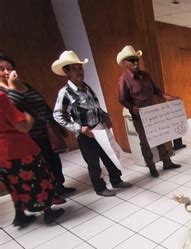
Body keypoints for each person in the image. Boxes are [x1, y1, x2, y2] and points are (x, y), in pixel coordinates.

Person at [52, 51, 132, 197]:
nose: (80, 71)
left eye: (80, 68)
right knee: (93, 163)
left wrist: (106, 117)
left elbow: (95, 107)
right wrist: (78, 128)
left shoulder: (86, 87)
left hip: (100, 129)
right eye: (75, 69)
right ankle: (100, 188)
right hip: (86, 135)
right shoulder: (65, 92)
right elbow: (58, 115)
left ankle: (116, 180)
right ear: (67, 72)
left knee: (109, 156)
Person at [0, 54, 76, 196]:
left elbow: (42, 104)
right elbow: (14, 107)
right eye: (1, 69)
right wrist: (12, 87)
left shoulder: (25, 85)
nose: (6, 72)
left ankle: (59, 186)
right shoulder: (4, 92)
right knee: (42, 165)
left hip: (46, 129)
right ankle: (51, 193)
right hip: (28, 136)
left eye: (8, 68)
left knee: (54, 159)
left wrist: (56, 124)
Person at [0, 92, 65, 227]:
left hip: (2, 153)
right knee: (39, 179)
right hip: (18, 147)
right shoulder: (1, 97)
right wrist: (29, 118)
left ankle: (20, 215)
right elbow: (22, 127)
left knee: (14, 184)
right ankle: (48, 212)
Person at [117, 45, 181, 178]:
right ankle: (151, 166)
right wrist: (132, 108)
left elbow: (158, 92)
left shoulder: (146, 75)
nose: (135, 62)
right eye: (131, 60)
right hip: (139, 117)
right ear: (125, 63)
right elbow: (122, 99)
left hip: (153, 114)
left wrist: (175, 99)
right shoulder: (123, 79)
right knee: (145, 142)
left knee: (160, 137)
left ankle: (167, 162)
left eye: (136, 60)